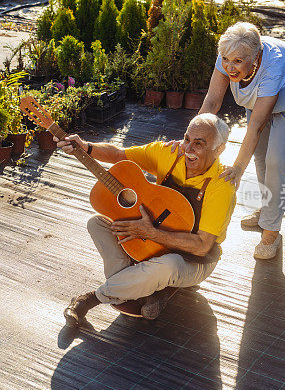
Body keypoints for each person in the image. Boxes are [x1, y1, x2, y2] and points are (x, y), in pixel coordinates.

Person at [57, 113, 236, 327]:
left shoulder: (222, 185)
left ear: (220, 149)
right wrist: (86, 147)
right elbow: (119, 155)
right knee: (97, 223)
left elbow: (202, 246)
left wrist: (151, 233)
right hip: (153, 245)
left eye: (198, 144)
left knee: (168, 266)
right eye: (187, 139)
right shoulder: (168, 153)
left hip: (192, 260)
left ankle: (91, 298)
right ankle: (149, 291)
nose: (188, 149)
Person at [197, 21, 285, 259]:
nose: (229, 67)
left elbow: (255, 126)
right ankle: (266, 209)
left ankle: (271, 230)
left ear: (255, 57)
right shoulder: (229, 54)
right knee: (260, 155)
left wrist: (238, 168)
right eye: (225, 59)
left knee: (276, 159)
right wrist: (191, 138)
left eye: (238, 62)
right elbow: (211, 103)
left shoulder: (273, 66)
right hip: (260, 99)